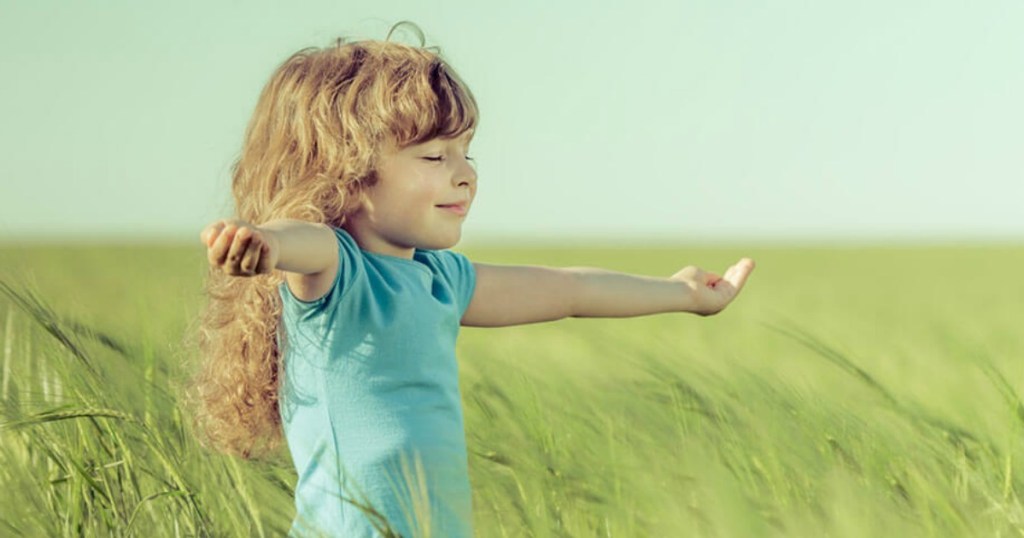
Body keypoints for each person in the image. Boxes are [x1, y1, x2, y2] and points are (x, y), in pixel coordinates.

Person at [191, 25, 755, 538]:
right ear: (346, 173)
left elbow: (570, 290)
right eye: (435, 155)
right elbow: (300, 240)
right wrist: (262, 243)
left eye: (467, 153)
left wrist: (680, 293)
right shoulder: (337, 272)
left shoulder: (442, 279)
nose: (465, 174)